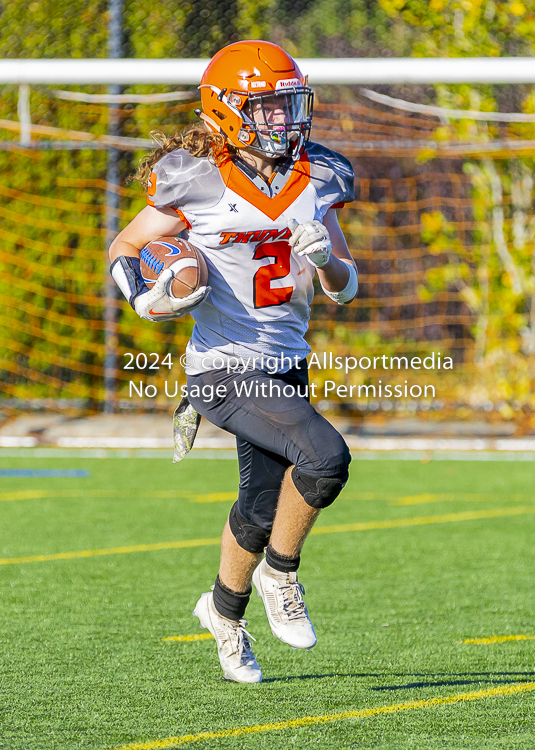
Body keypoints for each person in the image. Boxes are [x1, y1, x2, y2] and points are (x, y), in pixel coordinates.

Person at [108, 40, 358, 683]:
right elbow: (128, 243)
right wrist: (151, 294)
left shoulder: (319, 174)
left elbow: (345, 286)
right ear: (225, 110)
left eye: (290, 105)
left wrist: (326, 258)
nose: (285, 121)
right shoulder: (194, 174)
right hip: (221, 366)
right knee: (326, 459)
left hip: (286, 360)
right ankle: (281, 574)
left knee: (258, 506)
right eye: (269, 108)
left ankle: (222, 615)